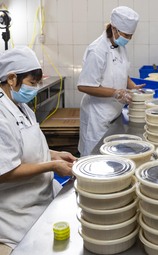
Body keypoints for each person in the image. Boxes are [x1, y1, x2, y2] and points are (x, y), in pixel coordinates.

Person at [0, 47, 76, 254]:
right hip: (17, 213)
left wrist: (54, 154)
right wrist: (52, 165)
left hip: (41, 195)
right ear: (12, 78)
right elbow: (4, 172)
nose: (34, 88)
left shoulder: (19, 104)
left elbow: (25, 146)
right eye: (31, 83)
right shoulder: (1, 115)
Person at [77, 6, 144, 156]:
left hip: (114, 112)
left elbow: (120, 71)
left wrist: (133, 87)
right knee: (95, 156)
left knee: (111, 156)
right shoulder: (97, 50)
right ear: (114, 29)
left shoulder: (119, 46)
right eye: (126, 35)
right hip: (98, 115)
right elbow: (84, 85)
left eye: (131, 36)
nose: (129, 39)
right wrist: (115, 93)